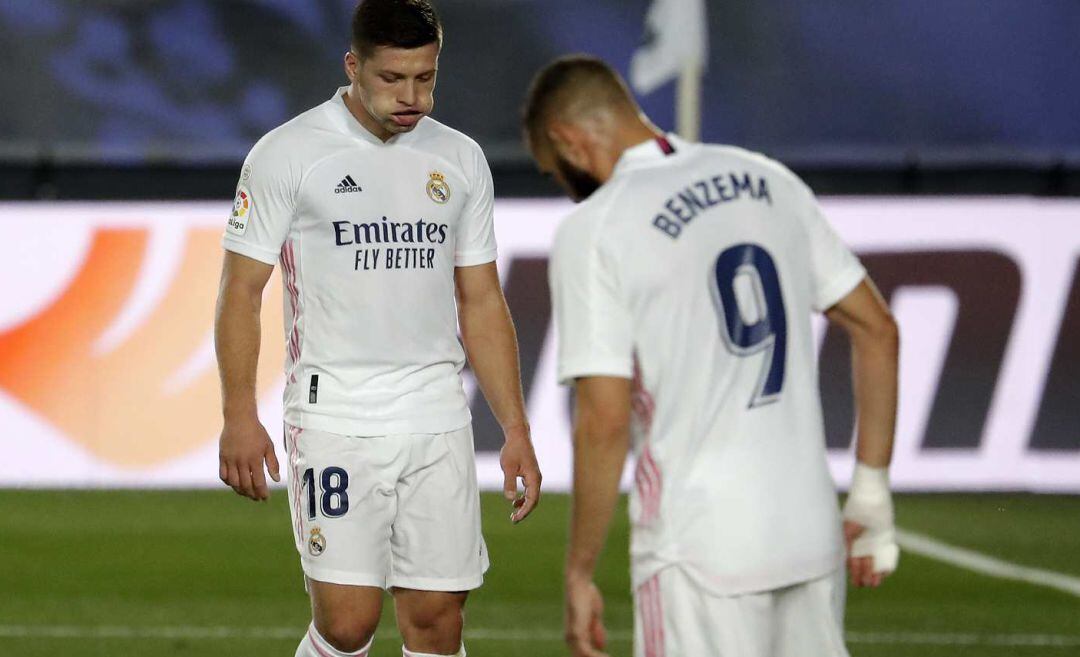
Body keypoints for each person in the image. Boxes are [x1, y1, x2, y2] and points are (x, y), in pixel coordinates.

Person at [522, 55, 900, 657]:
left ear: (568, 141)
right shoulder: (767, 179)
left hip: (698, 548)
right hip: (809, 533)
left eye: (553, 170)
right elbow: (878, 329)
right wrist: (873, 495)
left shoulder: (595, 227)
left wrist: (580, 572)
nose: (564, 184)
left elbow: (603, 421)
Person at [214, 2, 542, 656]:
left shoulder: (460, 159)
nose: (411, 96)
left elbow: (480, 299)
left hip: (437, 416)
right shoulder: (288, 154)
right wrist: (237, 415)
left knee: (437, 621)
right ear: (353, 66)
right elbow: (240, 291)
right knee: (346, 621)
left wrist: (517, 429)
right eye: (393, 78)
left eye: (425, 78)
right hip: (334, 412)